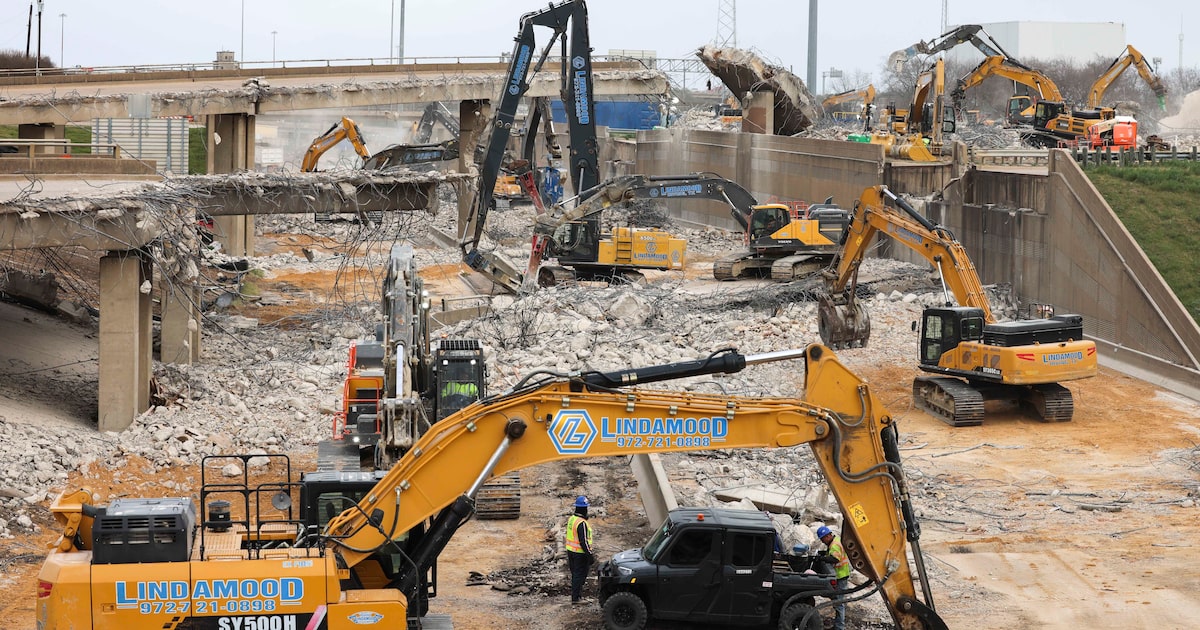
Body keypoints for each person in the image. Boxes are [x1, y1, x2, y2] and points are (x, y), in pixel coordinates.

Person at [818, 525, 851, 630]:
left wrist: (823, 559)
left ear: (827, 536)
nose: (823, 542)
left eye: (823, 539)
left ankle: (840, 627)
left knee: (839, 603)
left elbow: (835, 559)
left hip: (841, 575)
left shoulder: (834, 545)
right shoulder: (836, 540)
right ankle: (838, 625)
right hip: (841, 574)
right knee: (837, 601)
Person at [564, 495, 596, 605]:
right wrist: (590, 555)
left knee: (575, 575)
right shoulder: (581, 523)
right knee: (580, 575)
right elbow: (584, 541)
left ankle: (576, 596)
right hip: (580, 553)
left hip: (571, 551)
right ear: (584, 509)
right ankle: (576, 598)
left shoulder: (572, 519)